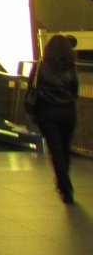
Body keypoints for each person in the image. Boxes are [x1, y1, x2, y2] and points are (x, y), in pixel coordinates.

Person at [29, 35, 79, 204]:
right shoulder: (71, 68)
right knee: (65, 149)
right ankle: (64, 181)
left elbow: (31, 89)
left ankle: (65, 186)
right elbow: (75, 91)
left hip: (47, 114)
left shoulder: (40, 68)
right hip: (68, 113)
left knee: (56, 149)